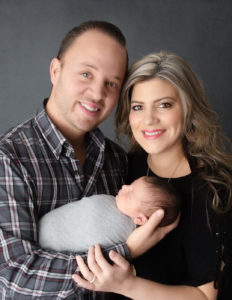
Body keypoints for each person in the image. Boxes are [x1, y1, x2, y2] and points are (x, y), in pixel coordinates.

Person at [0, 21, 178, 299]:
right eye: (86, 74)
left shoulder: (117, 160)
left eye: (111, 83)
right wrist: (125, 252)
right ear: (55, 71)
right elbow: (14, 277)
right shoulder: (9, 157)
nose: (97, 94)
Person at [73, 51, 232, 300]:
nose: (148, 120)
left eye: (164, 105)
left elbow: (204, 296)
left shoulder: (215, 188)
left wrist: (126, 285)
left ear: (188, 109)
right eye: (138, 107)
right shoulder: (120, 167)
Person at [39, 176, 181, 252]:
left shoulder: (127, 234)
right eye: (130, 185)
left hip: (51, 247)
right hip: (42, 228)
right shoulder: (113, 201)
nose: (124, 187)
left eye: (130, 193)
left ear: (140, 219)